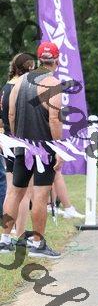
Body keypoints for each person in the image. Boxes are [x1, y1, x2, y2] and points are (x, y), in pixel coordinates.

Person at [0, 41, 63, 258]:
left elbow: (10, 114)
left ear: (38, 59)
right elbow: (54, 119)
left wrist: (17, 138)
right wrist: (59, 148)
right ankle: (38, 244)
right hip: (43, 147)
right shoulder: (53, 84)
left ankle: (4, 240)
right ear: (56, 60)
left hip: (21, 145)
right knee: (40, 194)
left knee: (15, 192)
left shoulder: (20, 81)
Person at [0, 53, 35, 239]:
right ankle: (20, 232)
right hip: (20, 141)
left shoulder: (6, 87)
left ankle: (7, 232)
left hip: (6, 139)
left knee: (11, 190)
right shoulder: (24, 87)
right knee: (24, 192)